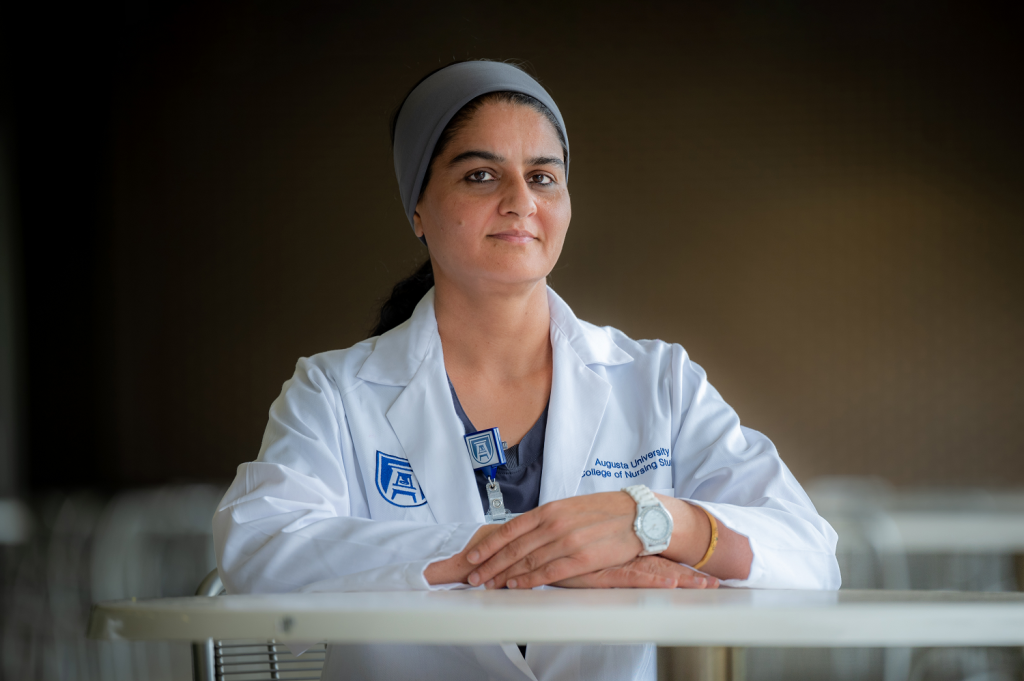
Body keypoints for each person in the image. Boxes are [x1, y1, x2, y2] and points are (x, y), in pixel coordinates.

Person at [213, 60, 841, 681]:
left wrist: (651, 521)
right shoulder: (334, 391)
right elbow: (259, 547)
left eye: (543, 177)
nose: (520, 202)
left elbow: (810, 555)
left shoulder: (659, 381)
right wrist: (535, 553)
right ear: (418, 211)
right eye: (481, 175)